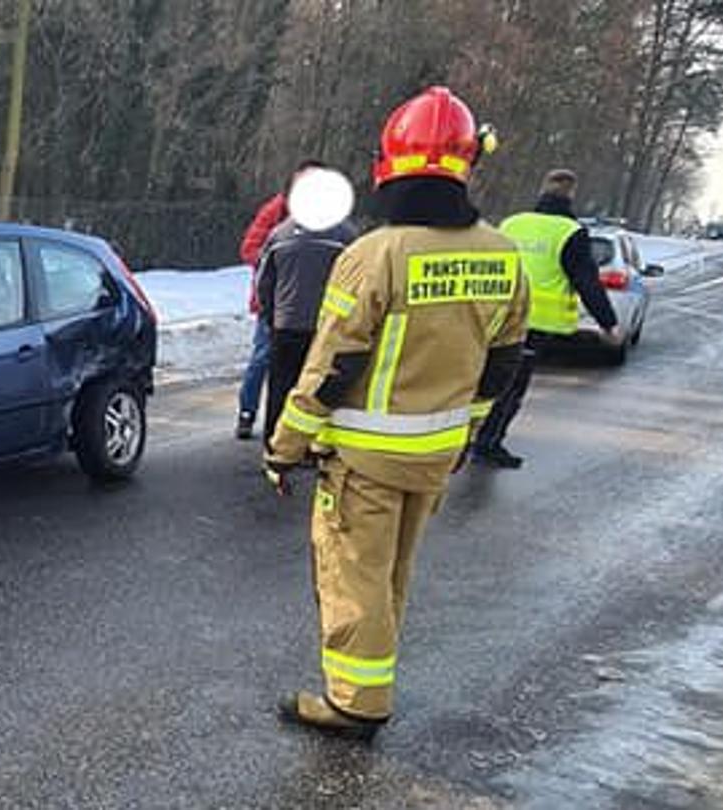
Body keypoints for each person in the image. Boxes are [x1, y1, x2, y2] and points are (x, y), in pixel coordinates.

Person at [265, 87, 528, 737]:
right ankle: (369, 682)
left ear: (389, 163)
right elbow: (503, 360)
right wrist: (468, 429)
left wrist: (285, 445)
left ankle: (355, 703)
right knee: (392, 577)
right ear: (467, 164)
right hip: (435, 456)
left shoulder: (375, 255)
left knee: (355, 578)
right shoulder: (501, 254)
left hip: (365, 459)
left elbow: (333, 365)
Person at [472, 170, 623, 469]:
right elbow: (586, 281)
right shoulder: (570, 232)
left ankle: (472, 438)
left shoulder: (512, 223)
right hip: (534, 322)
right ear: (571, 195)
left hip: (493, 314)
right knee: (511, 388)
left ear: (542, 191)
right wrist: (609, 324)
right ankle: (487, 443)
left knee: (484, 378)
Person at [235, 160, 327, 440]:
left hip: (308, 303)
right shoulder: (276, 211)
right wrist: (280, 263)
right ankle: (247, 413)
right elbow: (250, 248)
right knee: (263, 359)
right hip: (275, 301)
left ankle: (292, 425)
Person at [256, 199, 357, 443]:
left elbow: (263, 282)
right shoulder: (344, 235)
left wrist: (272, 316)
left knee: (281, 387)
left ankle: (275, 440)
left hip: (286, 325)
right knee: (318, 389)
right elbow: (358, 279)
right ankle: (313, 444)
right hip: (325, 328)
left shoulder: (280, 234)